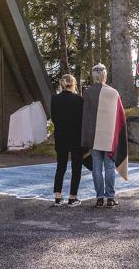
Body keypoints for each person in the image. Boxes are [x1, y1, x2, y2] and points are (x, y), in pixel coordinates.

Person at [79, 63, 128, 208]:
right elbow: (120, 116)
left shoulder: (87, 93)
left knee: (96, 167)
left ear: (93, 75)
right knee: (109, 167)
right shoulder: (113, 93)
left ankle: (99, 198)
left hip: (93, 137)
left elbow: (85, 116)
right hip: (109, 137)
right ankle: (110, 198)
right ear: (104, 75)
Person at [49, 74, 83, 206]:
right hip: (76, 137)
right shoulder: (79, 99)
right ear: (73, 84)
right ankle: (72, 198)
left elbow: (54, 118)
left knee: (61, 166)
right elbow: (82, 120)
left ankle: (58, 197)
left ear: (61, 84)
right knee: (76, 167)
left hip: (61, 136)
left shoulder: (55, 99)